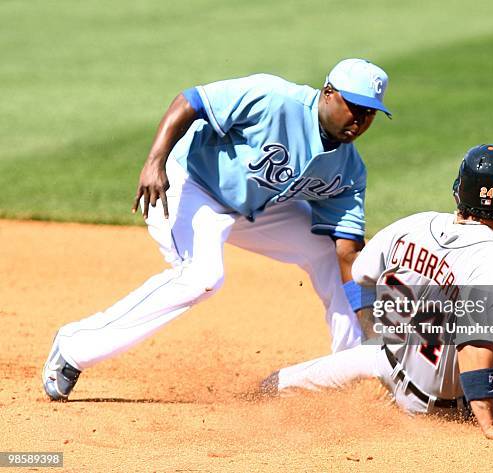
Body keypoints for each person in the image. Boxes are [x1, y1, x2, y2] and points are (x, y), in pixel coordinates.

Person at [42, 58, 392, 401]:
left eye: (370, 113)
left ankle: (353, 365)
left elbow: (347, 252)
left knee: (325, 253)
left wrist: (370, 328)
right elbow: (191, 100)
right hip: (190, 185)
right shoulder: (274, 98)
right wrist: (155, 162)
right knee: (202, 277)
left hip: (256, 208)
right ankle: (74, 348)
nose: (360, 120)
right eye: (354, 106)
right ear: (328, 92)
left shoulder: (348, 170)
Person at [260, 145, 493, 442]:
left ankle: (244, 397)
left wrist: (372, 338)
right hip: (444, 402)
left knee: (275, 385)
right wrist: (488, 423)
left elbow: (359, 275)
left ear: (457, 190)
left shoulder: (412, 225)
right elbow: (475, 344)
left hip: (382, 365)